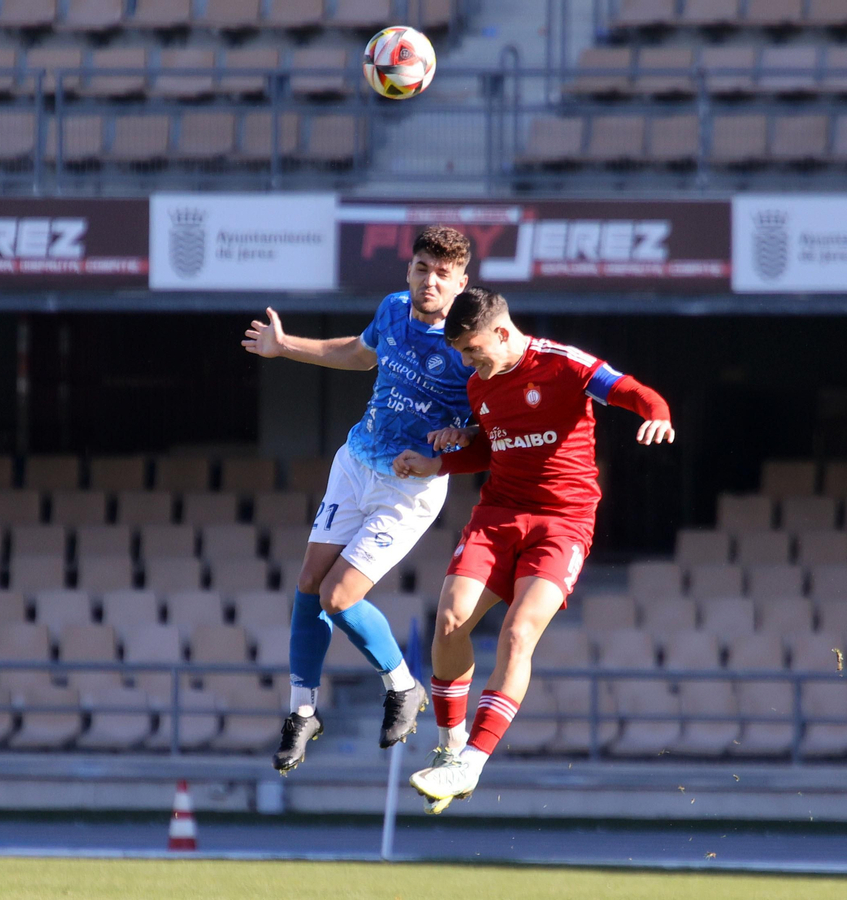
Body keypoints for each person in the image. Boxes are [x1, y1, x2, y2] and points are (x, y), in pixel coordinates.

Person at [392, 286, 674, 812]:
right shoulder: (481, 385)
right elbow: (492, 449)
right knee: (451, 619)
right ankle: (450, 745)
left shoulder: (566, 365)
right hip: (499, 514)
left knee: (519, 631)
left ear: (502, 332)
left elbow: (632, 391)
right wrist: (440, 461)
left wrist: (656, 412)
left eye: (475, 350)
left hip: (564, 522)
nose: (470, 363)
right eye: (464, 355)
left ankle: (472, 762)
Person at [242, 226, 477, 774]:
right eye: (423, 268)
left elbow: (487, 420)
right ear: (409, 271)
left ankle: (403, 686)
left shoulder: (469, 341)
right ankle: (303, 711)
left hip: (407, 487)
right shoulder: (394, 309)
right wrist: (286, 347)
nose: (430, 281)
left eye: (444, 274)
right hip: (355, 463)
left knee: (338, 597)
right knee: (308, 583)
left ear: (461, 283)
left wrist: (459, 437)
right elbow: (359, 352)